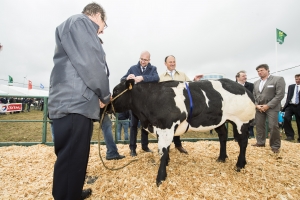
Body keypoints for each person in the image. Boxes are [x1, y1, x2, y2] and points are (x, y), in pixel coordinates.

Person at [48, 3, 110, 199]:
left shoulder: (74, 26)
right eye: (104, 25)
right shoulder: (81, 23)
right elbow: (91, 65)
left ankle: (71, 192)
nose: (102, 31)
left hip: (72, 102)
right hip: (75, 104)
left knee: (72, 157)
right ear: (98, 15)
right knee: (72, 158)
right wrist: (104, 95)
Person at [159, 55, 202, 154]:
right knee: (167, 127)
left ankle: (178, 145)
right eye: (170, 62)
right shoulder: (161, 77)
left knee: (177, 126)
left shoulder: (182, 75)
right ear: (165, 64)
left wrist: (195, 80)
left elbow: (190, 86)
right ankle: (167, 147)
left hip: (180, 107)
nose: (172, 63)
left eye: (174, 61)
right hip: (166, 107)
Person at [121, 51, 159, 157]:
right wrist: (127, 78)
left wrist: (143, 78)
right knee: (133, 125)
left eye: (145, 60)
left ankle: (145, 146)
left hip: (146, 104)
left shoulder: (153, 69)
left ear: (149, 60)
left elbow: (156, 78)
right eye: (141, 59)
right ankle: (132, 148)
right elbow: (122, 79)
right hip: (133, 103)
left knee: (145, 126)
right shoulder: (132, 68)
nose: (142, 61)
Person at [252, 64, 285, 153]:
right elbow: (254, 96)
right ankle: (260, 142)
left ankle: (275, 146)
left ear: (267, 70)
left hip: (272, 107)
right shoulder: (256, 83)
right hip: (259, 108)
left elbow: (280, 95)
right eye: (258, 71)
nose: (259, 72)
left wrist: (268, 105)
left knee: (273, 126)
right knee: (259, 125)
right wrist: (256, 105)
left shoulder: (278, 79)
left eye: (261, 70)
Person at [235, 70, 255, 138]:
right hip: (236, 108)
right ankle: (237, 137)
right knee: (236, 123)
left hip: (248, 107)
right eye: (243, 76)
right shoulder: (231, 85)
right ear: (237, 77)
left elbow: (253, 96)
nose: (245, 77)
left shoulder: (251, 86)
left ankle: (250, 136)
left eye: (245, 76)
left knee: (249, 123)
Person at [282, 74, 300, 142]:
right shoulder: (291, 86)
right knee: (286, 118)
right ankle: (290, 135)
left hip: (299, 106)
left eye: (299, 79)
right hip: (290, 105)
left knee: (299, 122)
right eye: (296, 79)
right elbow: (289, 96)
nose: (298, 81)